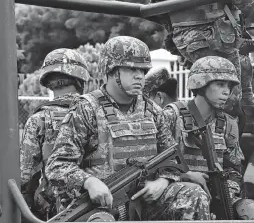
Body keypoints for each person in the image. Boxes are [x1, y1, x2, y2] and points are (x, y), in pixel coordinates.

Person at [45, 36, 210, 221]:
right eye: (132, 69)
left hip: (145, 200)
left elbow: (172, 159)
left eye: (142, 70)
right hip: (101, 206)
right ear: (111, 70)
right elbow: (57, 165)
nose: (139, 75)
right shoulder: (86, 109)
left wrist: (163, 181)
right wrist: (88, 182)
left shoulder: (153, 111)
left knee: (193, 194)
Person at [160, 0, 254, 133]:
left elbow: (158, 3)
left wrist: (178, 45)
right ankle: (223, 150)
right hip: (210, 35)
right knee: (228, 102)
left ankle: (246, 125)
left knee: (239, 73)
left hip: (194, 35)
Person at [161, 56, 254, 220]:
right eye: (220, 84)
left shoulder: (228, 124)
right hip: (175, 195)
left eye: (229, 86)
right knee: (194, 199)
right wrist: (185, 175)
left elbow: (233, 169)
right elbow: (154, 166)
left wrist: (226, 192)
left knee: (252, 210)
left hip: (213, 194)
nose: (226, 91)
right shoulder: (172, 116)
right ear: (201, 84)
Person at [20, 48, 91, 220]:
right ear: (81, 79)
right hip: (99, 200)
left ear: (48, 82)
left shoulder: (39, 119)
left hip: (56, 211)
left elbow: (24, 175)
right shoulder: (96, 113)